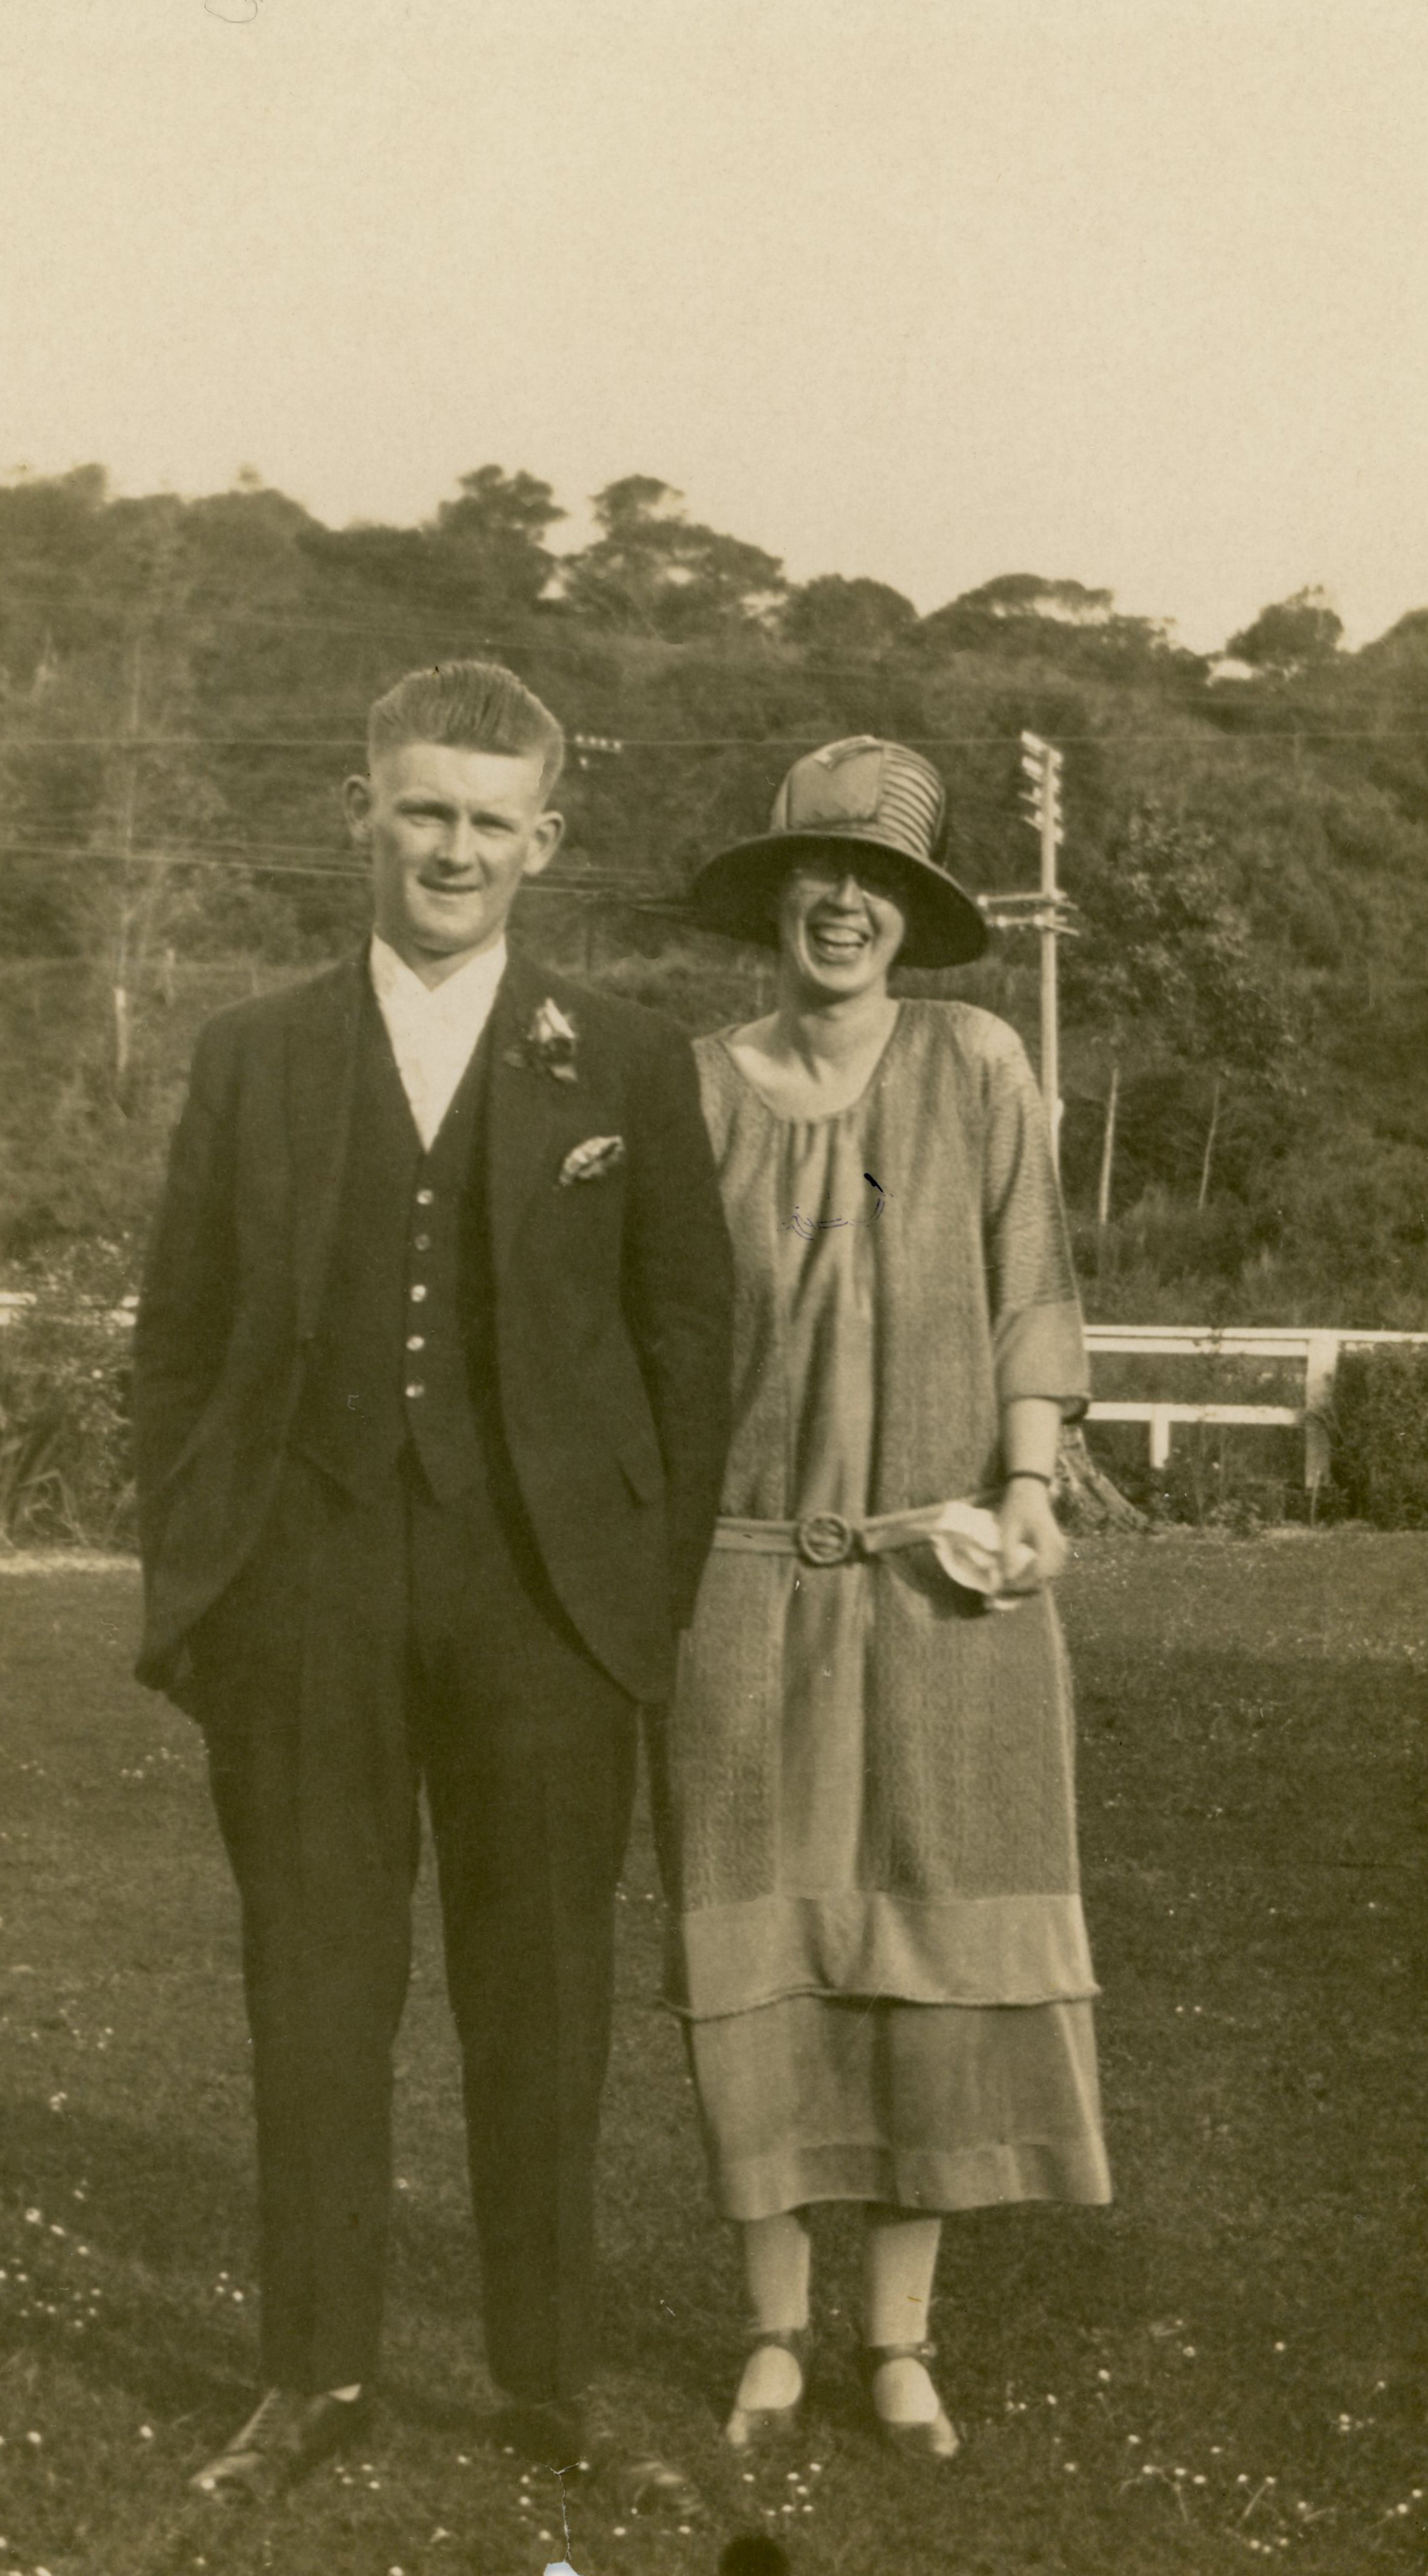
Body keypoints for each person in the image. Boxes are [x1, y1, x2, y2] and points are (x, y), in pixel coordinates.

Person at [132, 661, 733, 2508]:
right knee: (313, 1982)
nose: (452, 846)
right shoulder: (254, 1050)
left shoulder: (624, 1054)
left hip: (542, 1598)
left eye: (489, 818)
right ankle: (309, 2373)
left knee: (539, 1988)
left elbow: (687, 1341)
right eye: (422, 808)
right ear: (361, 809)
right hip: (302, 1585)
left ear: (541, 839)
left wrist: (629, 1591)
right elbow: (178, 1339)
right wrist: (209, 1570)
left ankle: (544, 2377)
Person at [653, 734, 1110, 2462]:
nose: (842, 901)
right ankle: (773, 2327)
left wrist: (1019, 1485)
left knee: (926, 1944)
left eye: (881, 881)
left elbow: (1027, 1285)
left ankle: (899, 2336)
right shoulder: (687, 1083)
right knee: (755, 1948)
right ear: (775, 892)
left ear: (912, 916)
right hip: (744, 1582)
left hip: (941, 1580)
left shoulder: (976, 1059)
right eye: (816, 869)